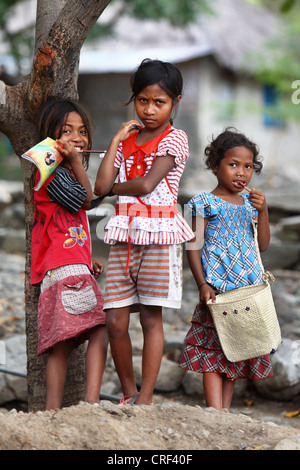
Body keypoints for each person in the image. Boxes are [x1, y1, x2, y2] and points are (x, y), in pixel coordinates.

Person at [94, 59, 194, 405]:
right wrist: (115, 140)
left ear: (175, 103)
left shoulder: (175, 139)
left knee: (151, 318)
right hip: (125, 236)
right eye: (142, 100)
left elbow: (147, 183)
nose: (149, 109)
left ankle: (146, 399)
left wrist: (109, 191)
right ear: (133, 99)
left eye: (159, 102)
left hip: (159, 236)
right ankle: (127, 392)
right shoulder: (127, 141)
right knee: (115, 321)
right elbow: (101, 182)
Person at [179, 127, 273, 411]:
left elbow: (263, 245)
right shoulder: (202, 203)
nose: (241, 173)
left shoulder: (250, 204)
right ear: (214, 166)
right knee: (213, 352)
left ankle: (225, 414)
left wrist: (264, 211)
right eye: (233, 165)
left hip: (247, 294)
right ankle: (213, 412)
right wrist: (202, 284)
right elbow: (192, 247)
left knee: (235, 352)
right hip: (218, 292)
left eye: (247, 167)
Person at [31, 99, 108, 410]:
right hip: (64, 270)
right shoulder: (52, 174)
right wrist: (76, 161)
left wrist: (87, 264)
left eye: (83, 131)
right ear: (51, 139)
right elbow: (86, 200)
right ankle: (89, 402)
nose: (78, 138)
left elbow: (66, 229)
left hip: (67, 267)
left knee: (61, 346)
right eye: (67, 131)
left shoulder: (60, 175)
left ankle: (52, 411)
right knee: (101, 328)